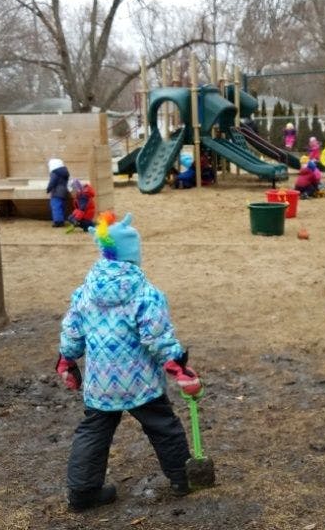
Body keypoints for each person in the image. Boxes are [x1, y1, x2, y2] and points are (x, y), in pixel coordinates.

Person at [56, 212, 204, 512]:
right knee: (164, 427)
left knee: (94, 431)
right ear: (133, 255)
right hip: (141, 382)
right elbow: (157, 338)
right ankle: (182, 478)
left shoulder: (85, 292)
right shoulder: (146, 294)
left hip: (100, 383)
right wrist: (179, 368)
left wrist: (66, 361)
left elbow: (72, 332)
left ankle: (83, 493)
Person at [47, 158, 71, 227]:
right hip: (64, 192)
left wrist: (48, 189)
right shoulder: (64, 172)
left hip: (56, 192)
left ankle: (58, 222)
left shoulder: (55, 172)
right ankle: (61, 220)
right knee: (61, 206)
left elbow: (52, 182)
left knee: (56, 206)